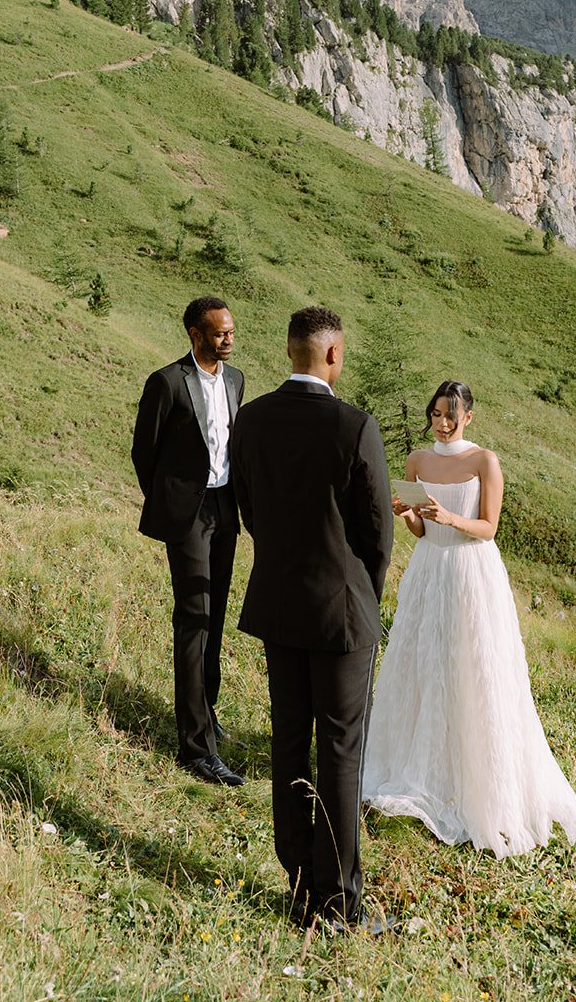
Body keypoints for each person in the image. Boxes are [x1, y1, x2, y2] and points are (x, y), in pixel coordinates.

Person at [362, 380, 576, 857]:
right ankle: (421, 767)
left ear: (468, 416)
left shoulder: (485, 461)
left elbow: (488, 527)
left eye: (451, 415)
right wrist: (407, 513)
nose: (442, 424)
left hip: (472, 570)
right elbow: (420, 528)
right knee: (424, 665)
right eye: (436, 414)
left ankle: (476, 776)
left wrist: (451, 519)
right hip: (431, 568)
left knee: (475, 668)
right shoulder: (417, 459)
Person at [231, 307, 394, 930]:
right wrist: (364, 594)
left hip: (279, 603)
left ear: (291, 351)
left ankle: (299, 883)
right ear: (332, 354)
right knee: (341, 750)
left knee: (288, 743)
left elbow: (248, 507)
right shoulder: (354, 426)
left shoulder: (252, 419)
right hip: (342, 612)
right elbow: (377, 533)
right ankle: (340, 903)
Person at [132, 296, 245, 786]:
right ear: (195, 335)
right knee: (194, 619)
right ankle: (195, 749)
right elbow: (144, 451)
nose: (228, 339)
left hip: (226, 509)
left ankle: (207, 716)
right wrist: (174, 505)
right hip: (190, 515)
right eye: (219, 332)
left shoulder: (236, 380)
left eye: (231, 331)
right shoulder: (167, 382)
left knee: (215, 615)